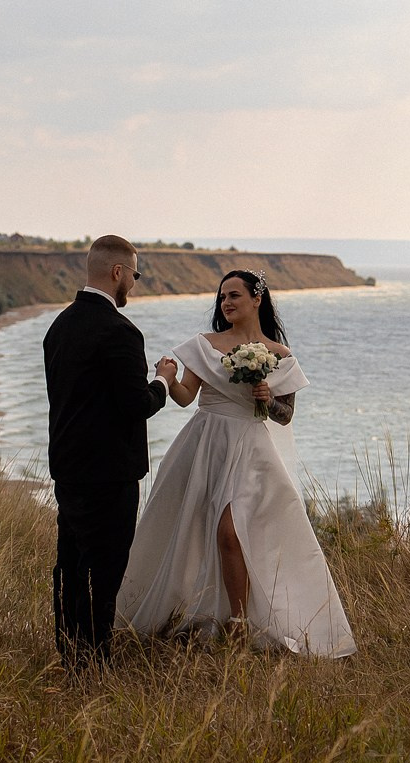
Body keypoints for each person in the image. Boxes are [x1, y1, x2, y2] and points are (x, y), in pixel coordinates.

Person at [117, 269, 356, 657]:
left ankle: (239, 624)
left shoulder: (279, 355)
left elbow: (284, 415)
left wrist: (266, 398)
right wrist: (167, 376)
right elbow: (184, 397)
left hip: (251, 450)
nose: (226, 303)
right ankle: (190, 610)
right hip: (206, 444)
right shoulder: (205, 345)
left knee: (231, 532)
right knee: (192, 529)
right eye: (222, 297)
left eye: (234, 295)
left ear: (257, 299)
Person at [42, 234, 177, 667]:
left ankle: (70, 651)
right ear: (117, 272)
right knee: (106, 569)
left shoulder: (58, 327)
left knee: (70, 563)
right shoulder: (121, 332)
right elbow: (135, 405)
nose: (133, 285)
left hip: (68, 467)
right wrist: (163, 379)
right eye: (134, 275)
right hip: (110, 473)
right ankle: (96, 658)